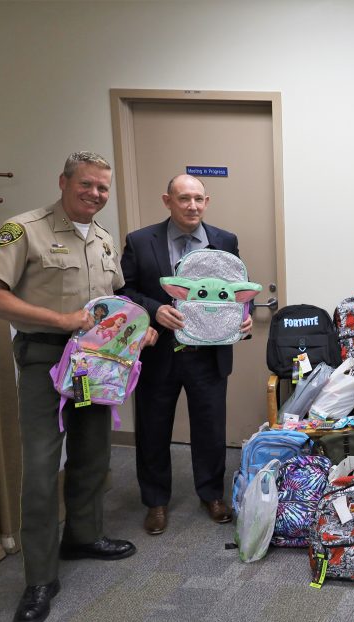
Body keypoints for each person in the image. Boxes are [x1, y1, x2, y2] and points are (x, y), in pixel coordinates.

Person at [0, 151, 156, 622]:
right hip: (45, 361)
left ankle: (83, 535)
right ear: (64, 182)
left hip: (95, 367)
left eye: (103, 188)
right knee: (39, 466)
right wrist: (61, 321)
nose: (96, 194)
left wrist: (140, 329)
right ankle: (39, 577)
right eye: (87, 185)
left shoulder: (102, 239)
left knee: (93, 452)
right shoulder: (24, 229)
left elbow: (116, 298)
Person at [118, 174, 251, 536]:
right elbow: (124, 290)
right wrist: (153, 310)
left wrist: (244, 313)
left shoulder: (224, 240)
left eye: (198, 199)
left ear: (206, 202)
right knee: (153, 427)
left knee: (210, 427)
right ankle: (156, 501)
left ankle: (211, 494)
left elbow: (237, 287)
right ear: (168, 201)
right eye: (183, 199)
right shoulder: (141, 241)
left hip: (208, 355)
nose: (192, 206)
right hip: (159, 351)